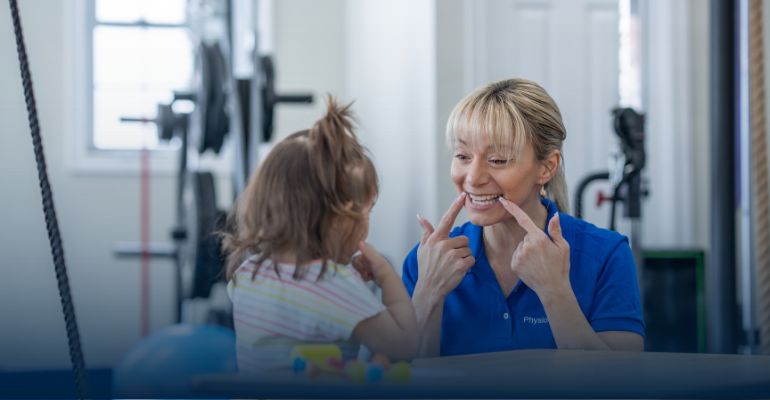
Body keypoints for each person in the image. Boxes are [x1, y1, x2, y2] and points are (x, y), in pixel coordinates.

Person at [402, 79, 645, 357]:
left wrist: (554, 291)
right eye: (462, 156)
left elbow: (621, 383)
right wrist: (427, 295)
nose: (472, 177)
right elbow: (395, 383)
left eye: (498, 160)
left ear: (546, 168)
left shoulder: (607, 255)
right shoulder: (425, 261)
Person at [222, 97, 418, 373]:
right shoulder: (333, 283)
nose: (366, 224)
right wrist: (385, 275)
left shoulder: (248, 274)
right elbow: (405, 345)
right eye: (366, 212)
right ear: (340, 218)